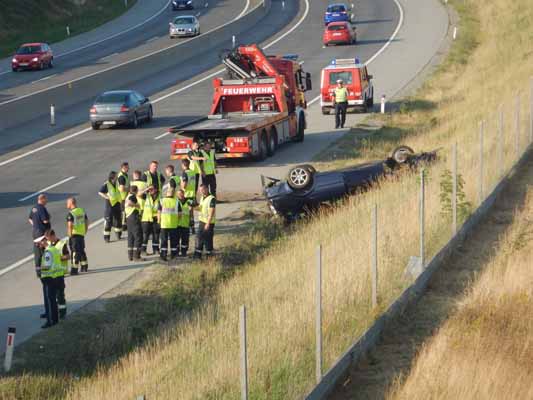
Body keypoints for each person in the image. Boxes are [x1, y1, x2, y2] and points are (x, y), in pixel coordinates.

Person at [34, 234, 62, 329]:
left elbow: (46, 267)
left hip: (49, 279)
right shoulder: (53, 249)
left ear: (43, 241)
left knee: (50, 301)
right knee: (53, 300)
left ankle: (51, 321)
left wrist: (41, 273)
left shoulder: (47, 252)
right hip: (55, 277)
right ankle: (55, 319)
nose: (38, 246)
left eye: (38, 244)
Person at [47, 230, 69, 320]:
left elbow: (67, 256)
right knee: (53, 295)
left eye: (49, 238)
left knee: (60, 295)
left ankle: (63, 312)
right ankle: (54, 312)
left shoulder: (61, 244)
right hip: (51, 274)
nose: (49, 241)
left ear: (53, 236)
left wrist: (58, 257)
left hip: (59, 273)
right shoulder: (49, 244)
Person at [28, 194, 51, 275]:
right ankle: (45, 270)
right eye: (46, 199)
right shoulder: (42, 208)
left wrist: (35, 225)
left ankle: (38, 271)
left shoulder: (34, 208)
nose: (47, 201)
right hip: (42, 233)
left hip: (35, 232)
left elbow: (30, 219)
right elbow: (45, 220)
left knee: (37, 252)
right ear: (42, 199)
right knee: (45, 252)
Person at [66, 197, 89, 274]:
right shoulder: (81, 211)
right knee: (81, 250)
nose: (67, 205)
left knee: (74, 252)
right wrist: (85, 230)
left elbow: (70, 225)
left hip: (74, 235)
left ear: (71, 203)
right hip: (81, 234)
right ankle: (84, 266)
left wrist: (70, 235)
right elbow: (86, 221)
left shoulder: (71, 214)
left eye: (67, 203)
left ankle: (74, 269)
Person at [98, 171, 122, 242]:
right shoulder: (107, 184)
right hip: (110, 205)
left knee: (118, 220)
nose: (117, 177)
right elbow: (100, 192)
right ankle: (106, 237)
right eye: (116, 176)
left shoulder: (117, 183)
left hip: (117, 203)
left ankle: (118, 234)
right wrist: (107, 197)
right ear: (113, 177)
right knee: (109, 221)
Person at [194, 184, 216, 259]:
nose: (201, 192)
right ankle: (197, 255)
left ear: (207, 189)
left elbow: (211, 212)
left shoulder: (211, 198)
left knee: (208, 240)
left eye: (203, 190)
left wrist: (208, 223)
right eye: (200, 190)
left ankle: (209, 256)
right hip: (201, 221)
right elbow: (201, 208)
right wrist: (194, 208)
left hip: (208, 223)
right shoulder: (202, 197)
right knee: (199, 238)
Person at [158, 188, 179, 261]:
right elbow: (180, 214)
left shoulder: (162, 201)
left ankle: (163, 255)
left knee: (164, 240)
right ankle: (174, 255)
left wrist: (158, 221)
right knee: (174, 241)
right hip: (173, 224)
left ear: (166, 193)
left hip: (164, 224)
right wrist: (177, 221)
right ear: (173, 193)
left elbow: (159, 212)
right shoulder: (176, 201)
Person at [125, 186, 143, 261]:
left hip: (128, 218)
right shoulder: (132, 196)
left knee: (131, 237)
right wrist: (137, 205)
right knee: (138, 237)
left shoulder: (128, 196)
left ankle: (130, 255)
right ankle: (136, 256)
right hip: (133, 218)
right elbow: (129, 203)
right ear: (136, 191)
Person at [141, 187, 161, 255]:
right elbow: (138, 194)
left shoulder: (160, 197)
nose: (150, 191)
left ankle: (156, 249)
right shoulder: (146, 196)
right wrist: (146, 189)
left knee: (156, 235)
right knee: (145, 235)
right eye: (150, 190)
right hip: (146, 218)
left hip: (155, 218)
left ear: (156, 190)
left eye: (152, 189)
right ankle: (143, 250)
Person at [176, 189, 193, 257]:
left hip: (186, 224)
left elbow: (191, 212)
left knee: (185, 240)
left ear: (184, 194)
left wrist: (192, 220)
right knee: (176, 239)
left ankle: (184, 252)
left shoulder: (189, 202)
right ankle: (176, 252)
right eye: (179, 194)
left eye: (181, 194)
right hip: (177, 224)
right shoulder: (175, 202)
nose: (180, 195)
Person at [181, 159, 195, 233]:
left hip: (186, 195)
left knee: (185, 212)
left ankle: (186, 227)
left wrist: (181, 189)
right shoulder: (192, 172)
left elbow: (184, 185)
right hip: (192, 194)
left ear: (183, 165)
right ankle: (192, 228)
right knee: (191, 212)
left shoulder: (185, 173)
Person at [117, 162, 130, 232]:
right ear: (124, 168)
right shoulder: (121, 177)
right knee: (123, 212)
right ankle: (123, 226)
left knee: (124, 211)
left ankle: (124, 225)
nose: (129, 168)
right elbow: (122, 188)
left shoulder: (125, 175)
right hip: (122, 197)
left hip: (125, 196)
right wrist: (129, 189)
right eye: (127, 167)